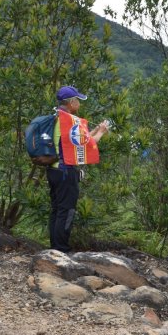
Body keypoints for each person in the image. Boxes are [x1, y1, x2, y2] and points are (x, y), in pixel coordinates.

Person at [48, 86, 109, 253]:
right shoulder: (70, 120)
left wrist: (94, 130)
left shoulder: (56, 117)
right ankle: (61, 249)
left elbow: (76, 141)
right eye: (78, 101)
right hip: (66, 170)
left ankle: (54, 247)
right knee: (66, 210)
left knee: (56, 209)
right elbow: (88, 144)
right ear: (71, 103)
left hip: (53, 169)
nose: (79, 104)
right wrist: (102, 132)